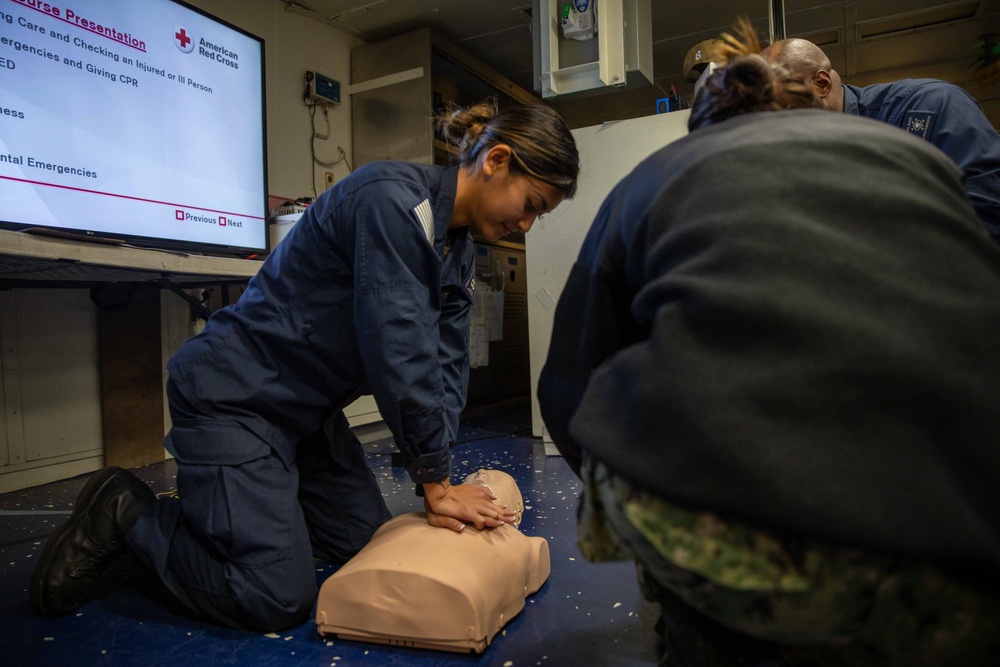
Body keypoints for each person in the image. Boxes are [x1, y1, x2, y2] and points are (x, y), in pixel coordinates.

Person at [538, 21, 1000, 666]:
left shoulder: (656, 177)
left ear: (707, 126)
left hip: (723, 536)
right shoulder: (917, 161)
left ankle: (696, 621)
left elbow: (568, 383)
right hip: (957, 535)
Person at [30, 100, 580, 632]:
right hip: (235, 398)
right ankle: (130, 515)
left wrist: (442, 467)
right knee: (274, 595)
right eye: (531, 204)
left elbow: (447, 365)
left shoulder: (456, 250)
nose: (527, 225)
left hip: (303, 414)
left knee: (368, 547)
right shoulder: (391, 201)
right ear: (497, 160)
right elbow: (400, 347)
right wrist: (434, 484)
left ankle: (240, 507)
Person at [761, 36, 1000, 243]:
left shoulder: (930, 105)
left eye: (780, 104)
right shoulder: (807, 157)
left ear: (821, 84)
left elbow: (989, 210)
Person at [315, 469, 549, 654]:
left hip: (363, 581)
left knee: (354, 539)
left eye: (489, 491)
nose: (481, 477)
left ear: (513, 513)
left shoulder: (404, 523)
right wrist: (439, 491)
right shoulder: (518, 542)